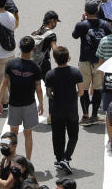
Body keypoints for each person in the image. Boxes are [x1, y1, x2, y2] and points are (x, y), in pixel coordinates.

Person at [0, 36, 44, 160]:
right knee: (28, 134)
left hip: (14, 103)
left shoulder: (11, 64)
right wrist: (41, 104)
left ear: (19, 47)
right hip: (29, 104)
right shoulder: (35, 67)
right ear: (33, 49)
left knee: (13, 134)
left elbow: (4, 83)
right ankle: (28, 161)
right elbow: (38, 88)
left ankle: (12, 158)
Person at [44, 45, 83, 174]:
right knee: (73, 136)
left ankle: (60, 159)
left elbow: (49, 93)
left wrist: (56, 96)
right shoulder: (76, 72)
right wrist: (73, 96)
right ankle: (66, 158)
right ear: (68, 58)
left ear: (55, 59)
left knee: (57, 136)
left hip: (56, 110)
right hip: (72, 109)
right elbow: (81, 91)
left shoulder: (50, 74)